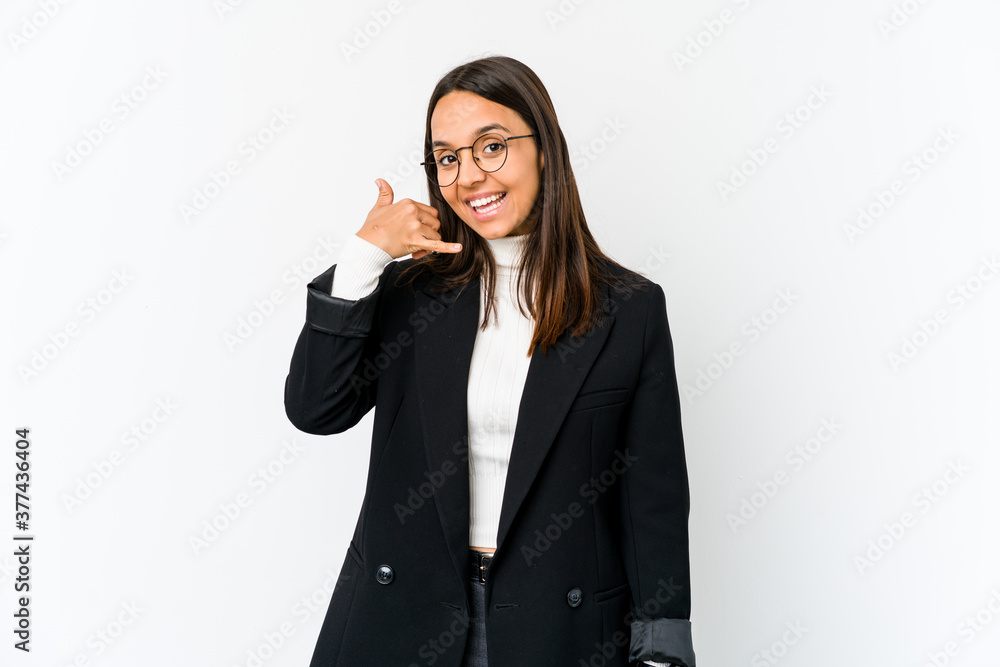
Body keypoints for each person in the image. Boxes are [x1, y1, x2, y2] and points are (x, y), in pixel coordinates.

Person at [284, 55, 694, 667]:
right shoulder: (409, 295)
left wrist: (662, 646)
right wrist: (364, 257)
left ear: (544, 150)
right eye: (447, 158)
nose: (470, 175)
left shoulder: (627, 308)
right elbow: (316, 409)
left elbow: (652, 494)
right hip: (400, 619)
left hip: (558, 629)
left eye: (492, 147)